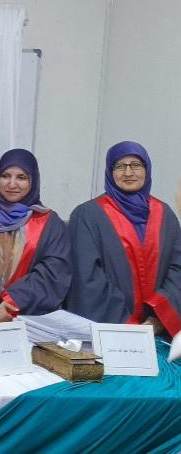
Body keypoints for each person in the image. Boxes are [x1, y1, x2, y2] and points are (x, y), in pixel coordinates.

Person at [65, 141, 181, 337]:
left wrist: (158, 317)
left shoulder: (165, 214)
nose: (128, 172)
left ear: (147, 169)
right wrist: (127, 324)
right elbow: (87, 277)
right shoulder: (87, 215)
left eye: (136, 165)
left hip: (158, 329)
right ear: (110, 172)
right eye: (119, 166)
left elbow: (178, 269)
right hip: (108, 330)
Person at [0, 149, 70, 329]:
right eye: (5, 176)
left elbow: (52, 273)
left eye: (21, 177)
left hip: (27, 319)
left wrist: (9, 302)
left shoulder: (50, 222)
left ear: (33, 181)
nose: (12, 184)